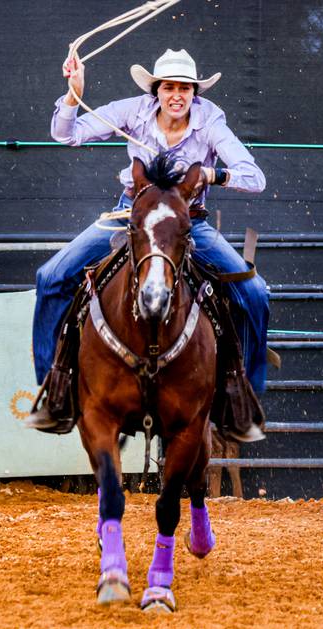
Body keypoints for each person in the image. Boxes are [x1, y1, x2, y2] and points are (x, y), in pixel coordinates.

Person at [29, 49, 268, 440]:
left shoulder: (210, 122)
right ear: (156, 90)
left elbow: (254, 177)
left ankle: (242, 397)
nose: (177, 95)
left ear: (195, 92)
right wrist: (74, 94)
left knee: (254, 293)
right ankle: (55, 390)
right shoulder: (132, 111)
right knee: (51, 276)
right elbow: (66, 134)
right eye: (170, 87)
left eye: (185, 88)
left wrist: (211, 173)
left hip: (188, 221)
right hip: (131, 215)